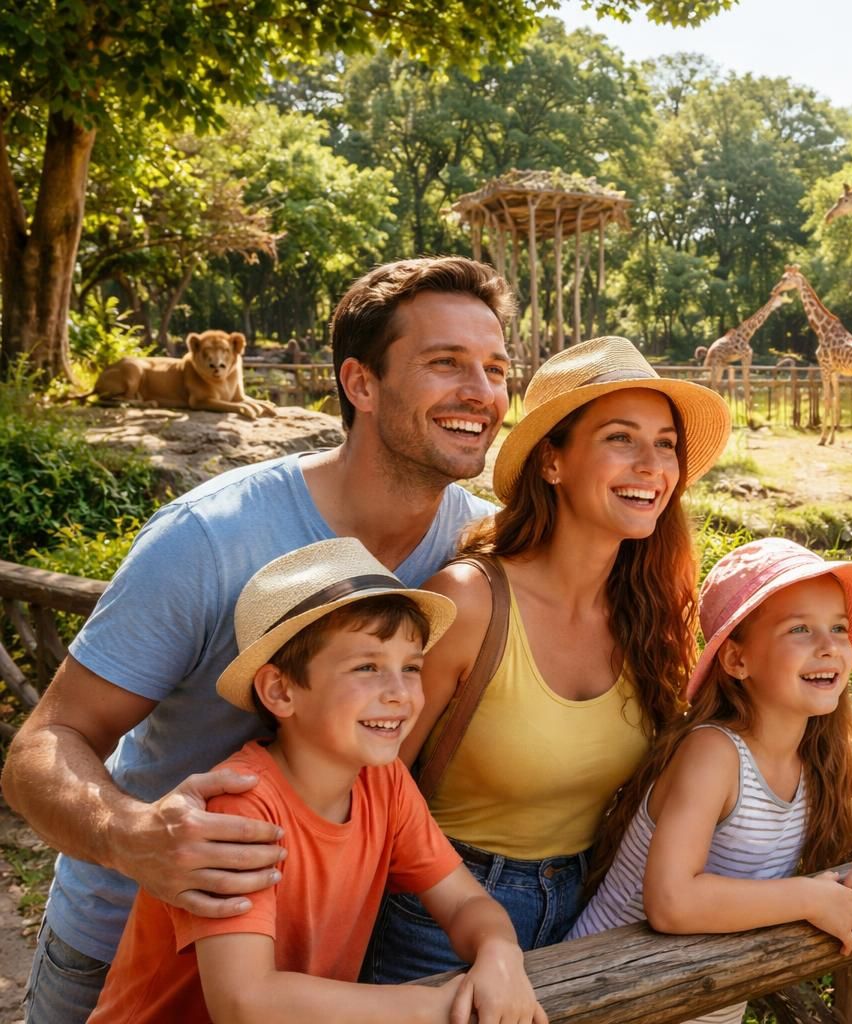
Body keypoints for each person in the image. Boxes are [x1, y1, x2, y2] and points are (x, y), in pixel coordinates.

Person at [2, 256, 514, 1023]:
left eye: (497, 368)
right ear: (360, 383)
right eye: (446, 363)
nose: (481, 391)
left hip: (314, 962)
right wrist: (130, 833)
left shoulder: (473, 544)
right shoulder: (211, 537)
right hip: (126, 950)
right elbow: (43, 746)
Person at [363, 334, 734, 982]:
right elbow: (372, 782)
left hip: (592, 903)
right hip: (439, 914)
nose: (652, 464)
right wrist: (466, 907)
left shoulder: (651, 612)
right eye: (621, 438)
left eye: (666, 444)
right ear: (553, 462)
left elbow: (718, 736)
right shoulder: (469, 602)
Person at [89, 539, 544, 1024]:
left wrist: (500, 955)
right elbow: (244, 1003)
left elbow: (466, 902)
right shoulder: (239, 807)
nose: (399, 693)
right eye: (367, 667)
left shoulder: (383, 782)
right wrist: (435, 1008)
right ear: (281, 691)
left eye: (411, 668)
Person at [567, 538, 852, 1024]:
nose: (829, 646)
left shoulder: (826, 758)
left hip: (706, 1001)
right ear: (736, 661)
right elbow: (671, 902)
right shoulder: (713, 754)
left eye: (838, 627)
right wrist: (810, 896)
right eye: (800, 629)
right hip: (608, 994)